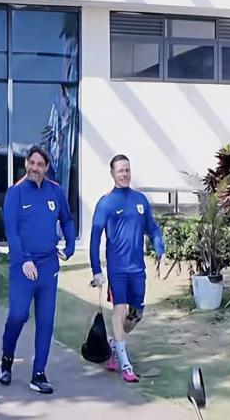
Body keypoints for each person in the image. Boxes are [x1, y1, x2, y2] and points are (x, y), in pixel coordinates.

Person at [0, 145, 76, 394]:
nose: (35, 168)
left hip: (48, 266)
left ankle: (39, 374)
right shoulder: (16, 193)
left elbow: (67, 219)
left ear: (46, 167)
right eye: (31, 163)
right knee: (18, 316)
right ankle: (6, 360)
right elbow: (11, 231)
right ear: (26, 164)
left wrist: (70, 246)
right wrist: (24, 260)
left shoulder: (56, 191)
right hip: (23, 267)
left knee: (46, 322)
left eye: (40, 164)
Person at [89, 154, 165, 382]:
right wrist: (96, 270)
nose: (124, 174)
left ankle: (115, 345)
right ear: (112, 173)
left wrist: (159, 247)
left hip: (137, 268)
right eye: (120, 170)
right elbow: (94, 239)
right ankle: (125, 365)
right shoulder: (106, 203)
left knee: (135, 314)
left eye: (127, 170)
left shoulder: (140, 200)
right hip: (117, 269)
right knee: (119, 311)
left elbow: (152, 228)